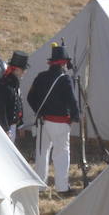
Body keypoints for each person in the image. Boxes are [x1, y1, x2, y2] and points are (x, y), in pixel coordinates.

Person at [27, 43, 79, 194]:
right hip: (60, 123)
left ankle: (40, 186)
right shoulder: (65, 79)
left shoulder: (41, 77)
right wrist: (75, 116)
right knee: (61, 154)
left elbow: (31, 97)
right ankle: (62, 187)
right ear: (63, 62)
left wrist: (40, 111)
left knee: (42, 153)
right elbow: (71, 101)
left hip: (43, 122)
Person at [1, 51, 28, 142]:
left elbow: (18, 104)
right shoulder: (5, 84)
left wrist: (20, 124)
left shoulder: (14, 83)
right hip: (6, 127)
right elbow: (1, 108)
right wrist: (6, 128)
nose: (25, 72)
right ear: (16, 70)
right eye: (23, 70)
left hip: (12, 126)